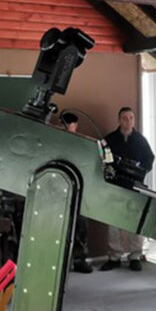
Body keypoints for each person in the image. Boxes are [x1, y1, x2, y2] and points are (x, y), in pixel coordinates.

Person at [101, 106, 155, 271]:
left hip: (134, 186)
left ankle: (135, 256)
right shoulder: (110, 139)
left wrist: (139, 171)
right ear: (119, 120)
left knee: (135, 222)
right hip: (115, 185)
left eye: (131, 118)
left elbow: (149, 159)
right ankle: (114, 256)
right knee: (113, 222)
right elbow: (102, 158)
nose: (128, 121)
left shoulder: (140, 140)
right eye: (125, 118)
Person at [60, 112, 93, 274]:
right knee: (59, 229)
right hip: (59, 191)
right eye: (67, 124)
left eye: (72, 124)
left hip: (79, 191)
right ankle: (61, 263)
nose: (70, 127)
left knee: (80, 227)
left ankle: (80, 260)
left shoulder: (81, 143)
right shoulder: (55, 141)